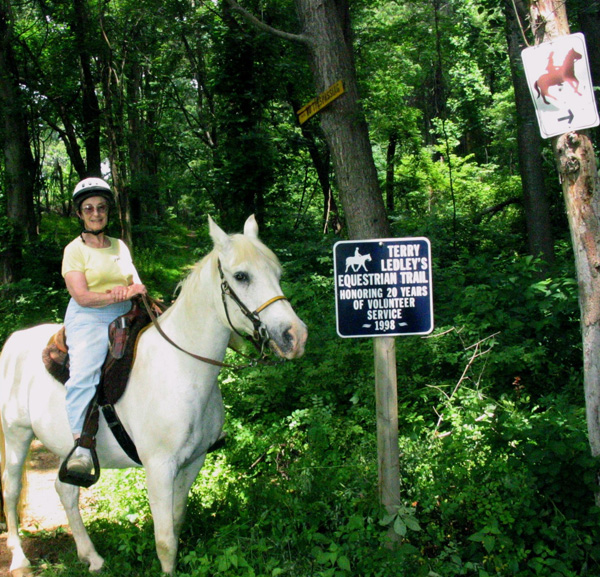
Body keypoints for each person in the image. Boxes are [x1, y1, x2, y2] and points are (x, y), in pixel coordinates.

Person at [61, 177, 147, 476]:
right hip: (90, 317)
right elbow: (82, 296)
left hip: (128, 312)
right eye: (88, 209)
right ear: (79, 214)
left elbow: (136, 282)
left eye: (101, 207)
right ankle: (82, 447)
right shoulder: (74, 250)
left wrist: (132, 290)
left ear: (107, 211)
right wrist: (114, 294)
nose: (95, 213)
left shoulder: (119, 246)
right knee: (84, 372)